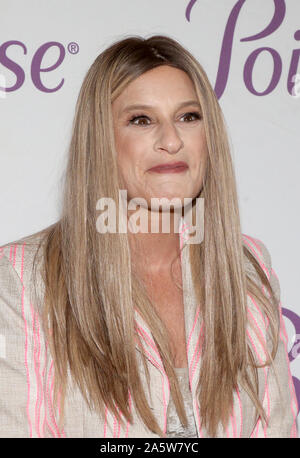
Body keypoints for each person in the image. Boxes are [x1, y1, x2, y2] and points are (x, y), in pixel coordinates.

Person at [0, 34, 298, 438]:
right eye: (141, 120)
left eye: (189, 116)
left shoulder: (247, 266)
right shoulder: (21, 278)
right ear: (102, 141)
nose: (172, 140)